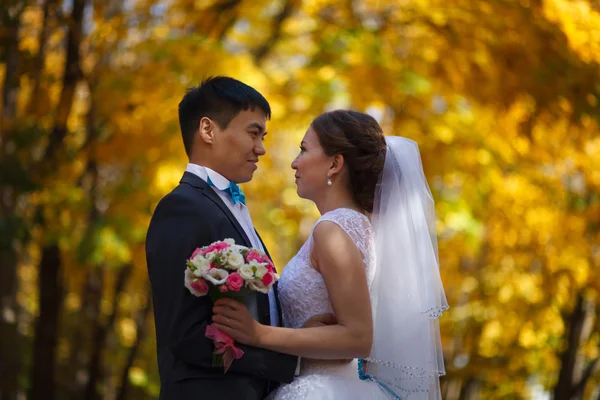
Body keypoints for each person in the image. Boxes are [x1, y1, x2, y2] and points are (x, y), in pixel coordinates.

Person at [212, 110, 449, 399]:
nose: (294, 162)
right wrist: (303, 329)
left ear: (335, 163)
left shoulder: (332, 230)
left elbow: (358, 337)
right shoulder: (359, 226)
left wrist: (258, 334)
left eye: (303, 149)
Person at [146, 76, 316, 399]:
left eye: (263, 136)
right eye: (253, 133)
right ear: (208, 130)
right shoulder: (182, 207)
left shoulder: (234, 206)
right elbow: (184, 335)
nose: (261, 148)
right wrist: (290, 363)